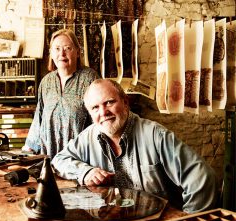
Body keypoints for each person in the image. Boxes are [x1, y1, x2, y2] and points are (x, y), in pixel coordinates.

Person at [52, 79, 218, 213]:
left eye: (109, 103)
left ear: (125, 102)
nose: (103, 113)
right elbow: (59, 160)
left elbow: (202, 179)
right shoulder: (89, 136)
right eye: (95, 108)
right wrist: (85, 171)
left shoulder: (155, 135)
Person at [22, 29, 99, 159]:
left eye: (67, 48)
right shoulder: (46, 82)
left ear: (77, 52)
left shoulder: (90, 79)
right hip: (49, 157)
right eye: (57, 49)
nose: (62, 54)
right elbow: (39, 117)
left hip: (80, 158)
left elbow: (99, 121)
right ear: (51, 54)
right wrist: (29, 146)